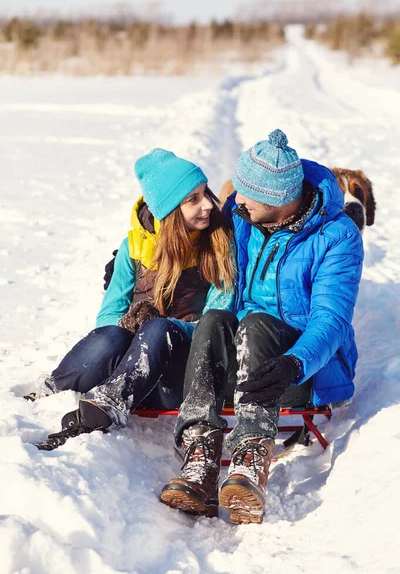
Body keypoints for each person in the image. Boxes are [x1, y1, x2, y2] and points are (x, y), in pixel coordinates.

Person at [160, 129, 364, 525]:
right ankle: (200, 455)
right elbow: (220, 291)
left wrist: (294, 362)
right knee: (216, 317)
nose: (235, 199)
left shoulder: (336, 237)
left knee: (256, 323)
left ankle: (250, 460)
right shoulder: (241, 217)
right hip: (242, 360)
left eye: (247, 194)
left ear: (278, 199)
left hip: (298, 368)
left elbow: (331, 319)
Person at [33, 148, 235, 450]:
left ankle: (110, 403)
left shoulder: (218, 245)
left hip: (182, 375)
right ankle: (52, 391)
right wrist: (130, 329)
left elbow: (217, 319)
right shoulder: (133, 247)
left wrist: (164, 328)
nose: (207, 204)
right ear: (167, 212)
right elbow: (109, 313)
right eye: (193, 199)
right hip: (135, 369)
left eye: (205, 193)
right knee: (112, 335)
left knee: (158, 329)